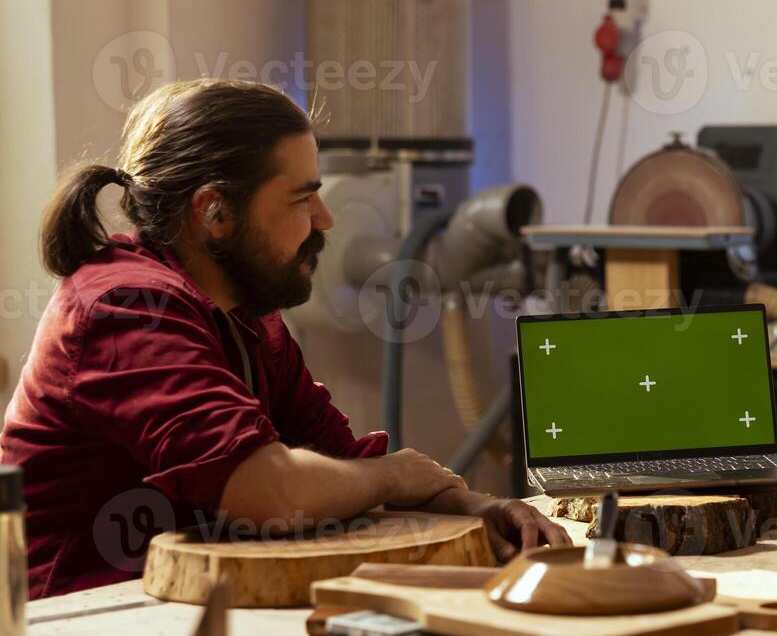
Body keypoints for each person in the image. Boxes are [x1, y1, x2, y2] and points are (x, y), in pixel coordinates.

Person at [2, 79, 569, 598]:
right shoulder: (127, 309)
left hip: (179, 610)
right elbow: (270, 492)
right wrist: (395, 474)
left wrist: (474, 507)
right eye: (302, 198)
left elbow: (336, 464)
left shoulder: (247, 314)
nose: (324, 219)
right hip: (79, 633)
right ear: (214, 212)